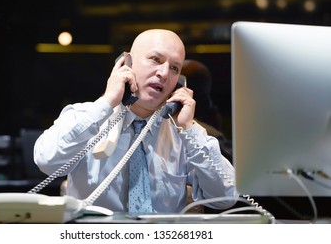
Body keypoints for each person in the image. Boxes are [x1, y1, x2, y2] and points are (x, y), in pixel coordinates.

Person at [34, 29, 238, 213]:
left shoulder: (185, 133)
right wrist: (107, 102)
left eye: (175, 68)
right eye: (156, 59)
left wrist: (189, 129)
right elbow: (46, 161)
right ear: (127, 63)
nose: (164, 73)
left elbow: (226, 198)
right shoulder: (86, 116)